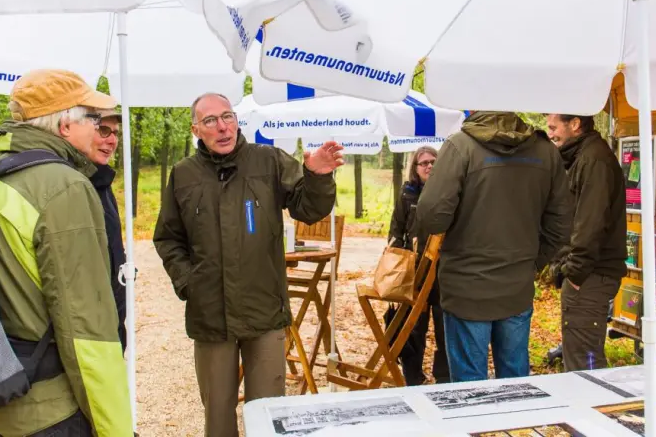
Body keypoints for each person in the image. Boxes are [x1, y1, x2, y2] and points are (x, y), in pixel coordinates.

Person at [153, 92, 342, 437]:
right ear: (196, 129)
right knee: (218, 414)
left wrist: (316, 177)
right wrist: (188, 282)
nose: (222, 127)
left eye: (228, 116)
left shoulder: (267, 160)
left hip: (264, 309)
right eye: (210, 120)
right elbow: (167, 238)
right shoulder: (183, 174)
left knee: (269, 414)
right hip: (210, 314)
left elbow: (308, 208)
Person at [0, 69, 132, 436]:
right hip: (57, 413)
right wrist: (116, 429)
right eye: (94, 119)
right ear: (66, 124)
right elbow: (86, 331)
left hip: (6, 403)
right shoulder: (63, 186)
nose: (102, 130)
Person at [415, 110, 572, 382]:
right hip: (515, 286)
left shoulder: (459, 147)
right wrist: (533, 262)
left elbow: (431, 217)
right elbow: (561, 223)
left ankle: (476, 425)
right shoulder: (545, 151)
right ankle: (515, 425)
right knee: (514, 382)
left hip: (467, 287)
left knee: (469, 388)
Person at [546, 113, 627, 372]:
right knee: (579, 355)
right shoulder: (583, 157)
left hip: (591, 275)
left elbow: (590, 223)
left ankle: (592, 408)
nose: (550, 134)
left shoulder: (594, 160)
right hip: (589, 274)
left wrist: (575, 273)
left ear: (575, 124)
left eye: (553, 127)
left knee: (585, 361)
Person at [387, 146, 449, 386]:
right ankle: (413, 376)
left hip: (443, 270)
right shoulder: (407, 193)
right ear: (415, 168)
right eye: (423, 163)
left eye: (433, 161)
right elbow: (396, 228)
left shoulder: (447, 191)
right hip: (414, 270)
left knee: (445, 325)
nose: (429, 166)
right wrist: (398, 260)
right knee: (414, 327)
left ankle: (444, 375)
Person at [87, 109, 128, 353]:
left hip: (112, 322)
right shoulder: (72, 184)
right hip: (91, 333)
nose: (112, 140)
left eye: (115, 133)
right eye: (104, 130)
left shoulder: (102, 181)